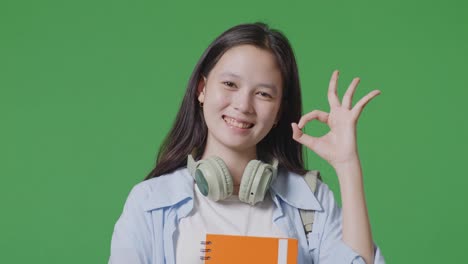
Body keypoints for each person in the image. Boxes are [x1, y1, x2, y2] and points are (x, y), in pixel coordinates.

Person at [108, 22, 385, 264]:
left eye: (263, 94)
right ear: (202, 89)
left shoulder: (310, 203)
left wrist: (347, 165)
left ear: (278, 111)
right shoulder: (150, 202)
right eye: (230, 84)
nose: (243, 105)